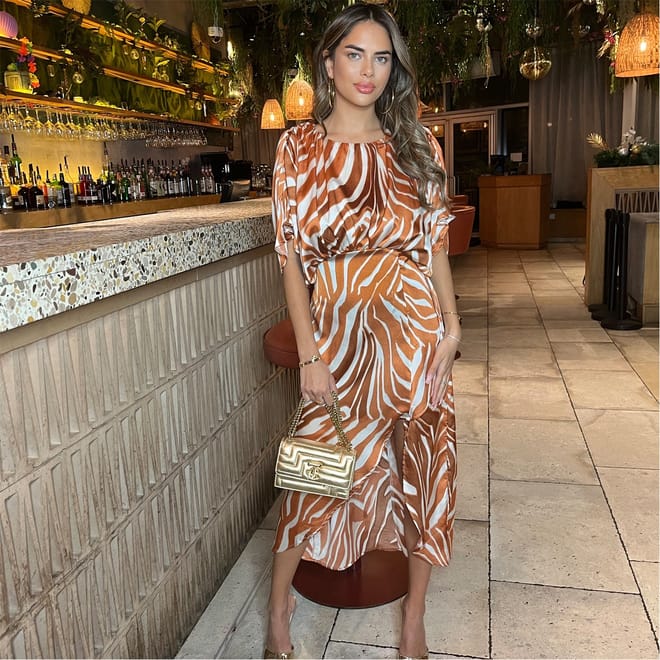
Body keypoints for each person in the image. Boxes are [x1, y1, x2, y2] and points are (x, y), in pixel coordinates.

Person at [266, 3, 460, 658]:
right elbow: (292, 262)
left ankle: (414, 619)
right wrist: (310, 357)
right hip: (338, 342)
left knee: (426, 473)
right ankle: (278, 606)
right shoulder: (298, 149)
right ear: (328, 62)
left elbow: (434, 247)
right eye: (354, 54)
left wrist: (452, 329)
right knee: (312, 473)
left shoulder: (417, 145)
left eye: (382, 58)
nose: (368, 71)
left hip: (414, 333)